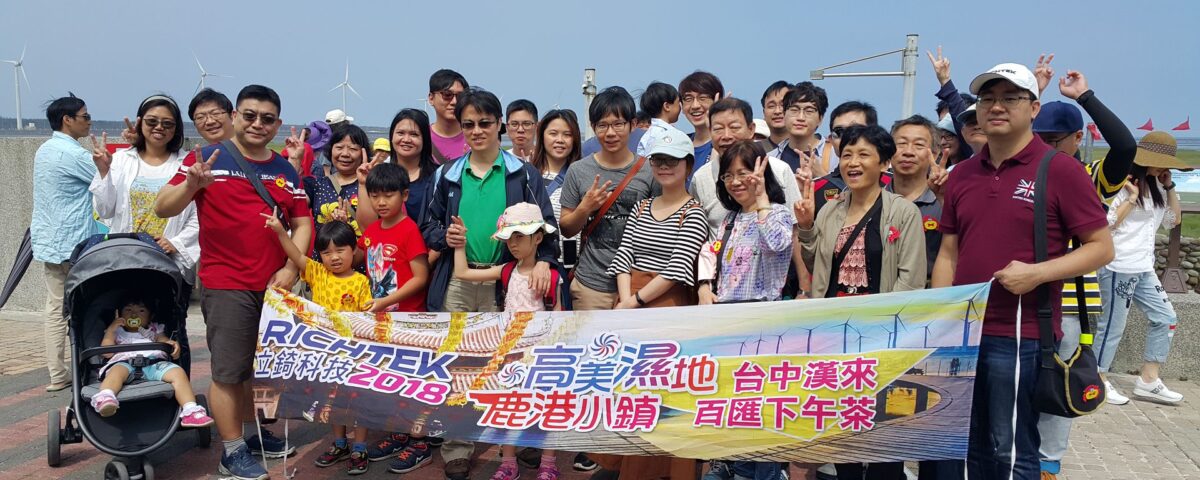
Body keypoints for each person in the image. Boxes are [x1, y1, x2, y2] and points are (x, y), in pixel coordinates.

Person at [932, 63, 1113, 480]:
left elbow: (1101, 248)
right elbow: (948, 253)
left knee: (1011, 447)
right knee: (967, 445)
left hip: (1021, 333)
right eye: (987, 98)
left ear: (1033, 108)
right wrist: (941, 318)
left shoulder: (1060, 169)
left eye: (1009, 98)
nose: (996, 107)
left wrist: (1038, 273)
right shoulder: (963, 175)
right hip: (964, 334)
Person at [155, 84, 311, 480]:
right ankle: (232, 451)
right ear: (236, 116)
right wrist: (192, 185)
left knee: (257, 369)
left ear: (278, 123)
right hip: (227, 283)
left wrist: (291, 269)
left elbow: (302, 222)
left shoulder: (284, 169)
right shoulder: (207, 159)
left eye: (268, 119)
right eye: (250, 115)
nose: (258, 124)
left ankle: (252, 434)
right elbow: (162, 206)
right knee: (228, 372)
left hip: (274, 288)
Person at [420, 87, 557, 480]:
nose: (476, 131)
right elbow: (427, 225)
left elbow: (546, 226)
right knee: (457, 364)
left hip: (506, 282)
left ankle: (517, 442)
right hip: (458, 280)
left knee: (512, 365)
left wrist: (544, 262)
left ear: (499, 125)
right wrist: (443, 237)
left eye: (484, 123)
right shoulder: (446, 174)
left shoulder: (523, 173)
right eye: (468, 124)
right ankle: (457, 448)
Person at [794, 124, 925, 480]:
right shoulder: (830, 210)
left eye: (864, 154)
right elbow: (818, 266)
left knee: (884, 432)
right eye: (847, 155)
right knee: (845, 431)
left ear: (884, 163)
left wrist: (886, 332)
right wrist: (806, 227)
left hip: (883, 336)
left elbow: (911, 281)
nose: (853, 162)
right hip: (837, 336)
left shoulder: (903, 212)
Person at [1028, 66, 1137, 480]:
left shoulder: (1089, 178)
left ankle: (1047, 464)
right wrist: (1034, 94)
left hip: (1071, 303)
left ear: (1078, 138)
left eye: (1055, 140)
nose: (1046, 147)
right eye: (1040, 139)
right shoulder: (1024, 172)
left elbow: (1125, 147)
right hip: (1022, 297)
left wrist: (1085, 97)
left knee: (1059, 384)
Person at [599, 125, 708, 480]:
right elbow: (624, 253)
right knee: (627, 389)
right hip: (630, 300)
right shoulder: (642, 206)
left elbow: (678, 267)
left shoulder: (694, 212)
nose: (664, 166)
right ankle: (627, 466)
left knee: (664, 393)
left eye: (672, 160)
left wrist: (633, 302)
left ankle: (666, 470)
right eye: (659, 160)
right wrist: (625, 299)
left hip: (667, 307)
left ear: (688, 164)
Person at [697, 142, 792, 479]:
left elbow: (776, 243)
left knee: (761, 405)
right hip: (728, 323)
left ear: (762, 172)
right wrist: (704, 286)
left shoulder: (778, 213)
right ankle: (732, 464)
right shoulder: (730, 219)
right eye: (728, 176)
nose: (736, 182)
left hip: (764, 322)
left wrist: (762, 198)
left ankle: (764, 472)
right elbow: (710, 254)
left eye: (744, 173)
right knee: (733, 400)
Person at [449, 203, 565, 480]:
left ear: (538, 238)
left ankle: (548, 463)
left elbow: (559, 316)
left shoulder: (551, 276)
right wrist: (460, 244)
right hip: (510, 354)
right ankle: (508, 462)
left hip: (541, 353)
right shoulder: (506, 270)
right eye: (509, 237)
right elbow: (463, 273)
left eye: (519, 237)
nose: (512, 243)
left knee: (547, 406)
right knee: (508, 406)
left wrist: (553, 349)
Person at [90, 94, 200, 373]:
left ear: (176, 129)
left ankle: (178, 389)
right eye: (152, 121)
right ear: (140, 124)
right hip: (125, 262)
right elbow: (105, 209)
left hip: (168, 266)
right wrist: (103, 172)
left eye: (167, 123)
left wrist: (176, 243)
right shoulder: (121, 160)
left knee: (173, 329)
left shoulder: (187, 164)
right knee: (126, 324)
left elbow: (199, 215)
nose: (159, 128)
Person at [262, 218, 374, 474]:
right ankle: (339, 443)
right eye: (326, 252)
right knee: (332, 400)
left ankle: (360, 447)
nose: (334, 257)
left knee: (359, 401)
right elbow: (295, 254)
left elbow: (367, 318)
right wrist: (280, 232)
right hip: (327, 355)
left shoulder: (361, 281)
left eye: (340, 250)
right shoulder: (317, 273)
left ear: (353, 249)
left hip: (354, 355)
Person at [350, 162, 441, 472]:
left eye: (388, 195)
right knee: (392, 382)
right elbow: (359, 258)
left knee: (413, 383)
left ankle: (420, 443)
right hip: (381, 321)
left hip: (408, 321)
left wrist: (385, 301)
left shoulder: (409, 229)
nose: (380, 202)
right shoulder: (372, 230)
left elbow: (420, 277)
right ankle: (400, 434)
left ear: (404, 195)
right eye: (374, 195)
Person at [1095, 131, 1186, 405]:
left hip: (1144, 267)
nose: (1163, 167)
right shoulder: (1121, 182)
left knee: (1166, 317)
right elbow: (1108, 223)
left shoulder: (1159, 185)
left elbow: (1172, 221)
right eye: (1159, 162)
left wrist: (1170, 187)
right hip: (1118, 265)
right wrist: (1132, 198)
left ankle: (1148, 380)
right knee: (1112, 326)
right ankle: (1097, 380)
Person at [559, 86, 658, 310]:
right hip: (591, 285)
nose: (610, 133)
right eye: (602, 125)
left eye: (618, 124)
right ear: (593, 127)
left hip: (638, 284)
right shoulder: (578, 170)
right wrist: (585, 208)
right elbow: (566, 229)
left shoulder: (649, 171)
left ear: (633, 124)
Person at [32, 94, 97, 392]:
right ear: (67, 120)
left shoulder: (44, 150)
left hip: (49, 242)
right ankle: (90, 367)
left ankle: (57, 373)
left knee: (55, 308)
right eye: (85, 117)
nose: (89, 122)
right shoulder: (73, 154)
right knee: (87, 307)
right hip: (75, 245)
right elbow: (105, 179)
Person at [90, 295, 213, 428]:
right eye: (128, 310)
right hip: (124, 363)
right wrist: (111, 330)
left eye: (141, 311)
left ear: (150, 316)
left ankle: (190, 409)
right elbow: (106, 352)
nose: (134, 314)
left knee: (178, 372)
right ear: (119, 314)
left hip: (154, 364)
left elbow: (162, 340)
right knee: (116, 372)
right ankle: (106, 396)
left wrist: (170, 343)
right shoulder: (116, 331)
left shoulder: (154, 329)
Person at [887, 115, 944, 277]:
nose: (908, 152)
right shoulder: (872, 201)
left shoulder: (943, 201)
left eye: (919, 145)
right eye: (901, 144)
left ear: (935, 153)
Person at [302, 125, 370, 253]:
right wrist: (295, 161)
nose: (345, 154)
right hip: (322, 263)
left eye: (353, 149)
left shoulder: (372, 185)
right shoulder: (317, 185)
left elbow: (372, 229)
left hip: (360, 262)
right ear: (330, 150)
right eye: (339, 147)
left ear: (363, 153)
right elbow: (291, 204)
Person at [532, 109, 584, 269]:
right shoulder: (528, 176)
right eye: (553, 134)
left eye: (567, 135)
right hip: (538, 266)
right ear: (542, 136)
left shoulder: (584, 177)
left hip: (577, 268)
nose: (560, 140)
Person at [768, 82, 828, 174]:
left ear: (820, 119)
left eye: (809, 111)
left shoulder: (834, 154)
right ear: (784, 114)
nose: (800, 117)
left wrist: (822, 175)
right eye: (794, 110)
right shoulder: (770, 159)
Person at [679, 70, 725, 174]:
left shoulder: (727, 143)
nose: (695, 105)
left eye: (703, 98)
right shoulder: (679, 144)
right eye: (688, 99)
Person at [427, 69, 470, 164]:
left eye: (460, 96)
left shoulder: (475, 136)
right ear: (431, 98)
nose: (454, 102)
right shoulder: (420, 138)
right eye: (447, 95)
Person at [635, 81, 682, 158]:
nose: (681, 107)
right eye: (678, 102)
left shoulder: (648, 134)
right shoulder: (666, 134)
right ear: (667, 106)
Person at [759, 80, 792, 150]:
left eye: (783, 105)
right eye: (771, 106)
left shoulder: (811, 148)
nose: (777, 111)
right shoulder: (754, 151)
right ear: (764, 113)